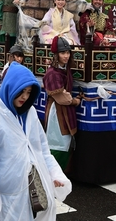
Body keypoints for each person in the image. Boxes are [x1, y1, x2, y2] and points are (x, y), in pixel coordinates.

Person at [0, 62, 72, 221]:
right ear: (10, 87)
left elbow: (42, 150)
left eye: (29, 92)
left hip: (31, 192)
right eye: (21, 91)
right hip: (6, 197)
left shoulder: (29, 113)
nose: (25, 97)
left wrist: (54, 174)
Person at [43, 36, 81, 171]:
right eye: (62, 53)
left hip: (65, 110)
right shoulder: (52, 73)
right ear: (56, 54)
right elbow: (61, 97)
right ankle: (49, 175)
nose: (66, 56)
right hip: (57, 112)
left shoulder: (65, 69)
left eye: (67, 52)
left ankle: (58, 176)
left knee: (65, 143)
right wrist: (75, 101)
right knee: (57, 143)